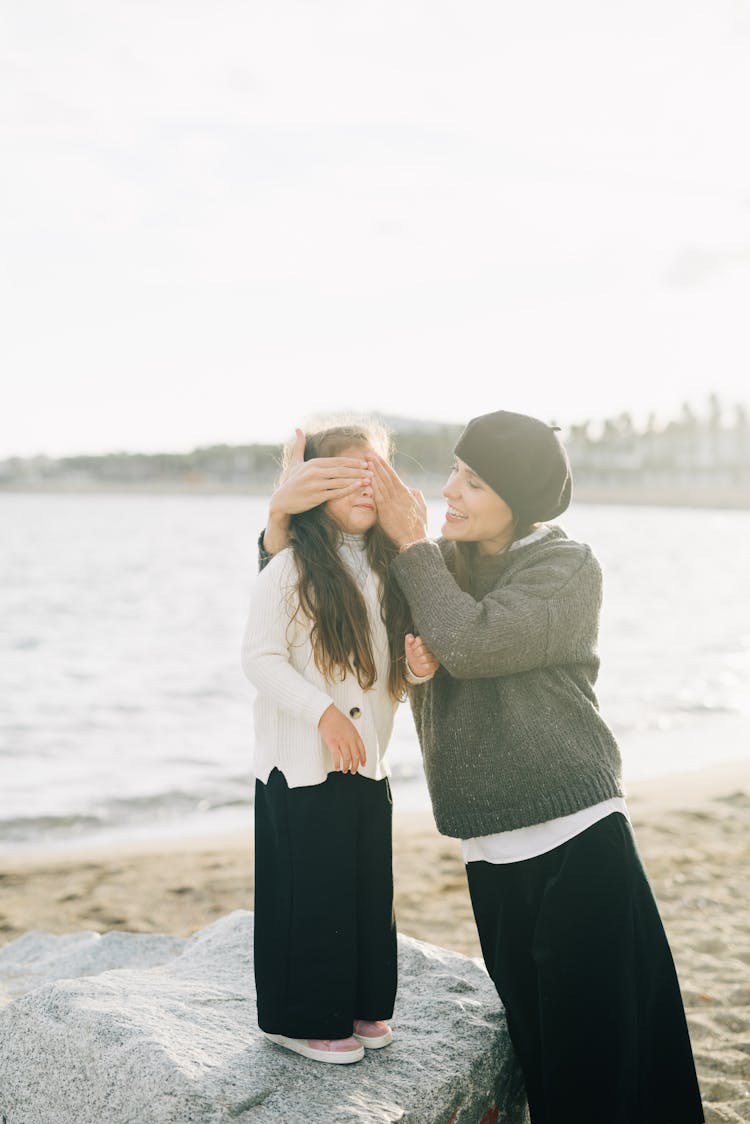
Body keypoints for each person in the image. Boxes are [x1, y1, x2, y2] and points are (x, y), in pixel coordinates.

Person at [260, 410, 704, 1122]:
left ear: (518, 500)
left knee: (611, 1059)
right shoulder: (428, 564)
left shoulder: (564, 568)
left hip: (578, 840)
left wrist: (413, 549)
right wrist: (280, 515)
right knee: (546, 1059)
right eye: (454, 474)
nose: (450, 493)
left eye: (474, 481)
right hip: (489, 851)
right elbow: (305, 609)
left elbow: (472, 641)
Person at [242, 420, 437, 1066]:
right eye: (345, 473)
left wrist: (415, 668)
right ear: (308, 487)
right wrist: (322, 713)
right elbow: (261, 660)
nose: (364, 483)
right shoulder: (292, 568)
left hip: (366, 764)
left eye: (375, 472)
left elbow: (385, 668)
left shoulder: (387, 568)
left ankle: (358, 1000)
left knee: (363, 888)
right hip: (300, 766)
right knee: (310, 887)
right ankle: (299, 1017)